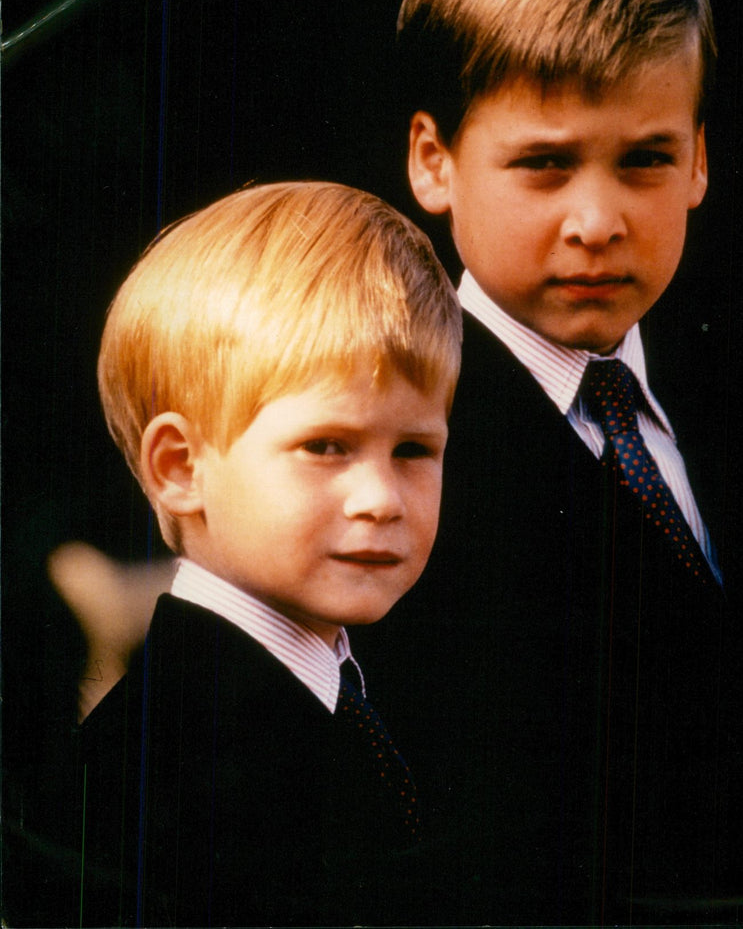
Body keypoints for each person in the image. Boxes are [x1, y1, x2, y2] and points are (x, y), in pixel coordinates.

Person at [353, 0, 743, 924]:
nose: (595, 220)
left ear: (696, 161)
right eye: (542, 167)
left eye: (643, 160)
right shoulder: (391, 445)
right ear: (434, 161)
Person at [38, 181, 462, 928]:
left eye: (414, 449)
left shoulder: (337, 707)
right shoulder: (166, 771)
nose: (382, 497)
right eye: (326, 446)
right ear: (180, 468)